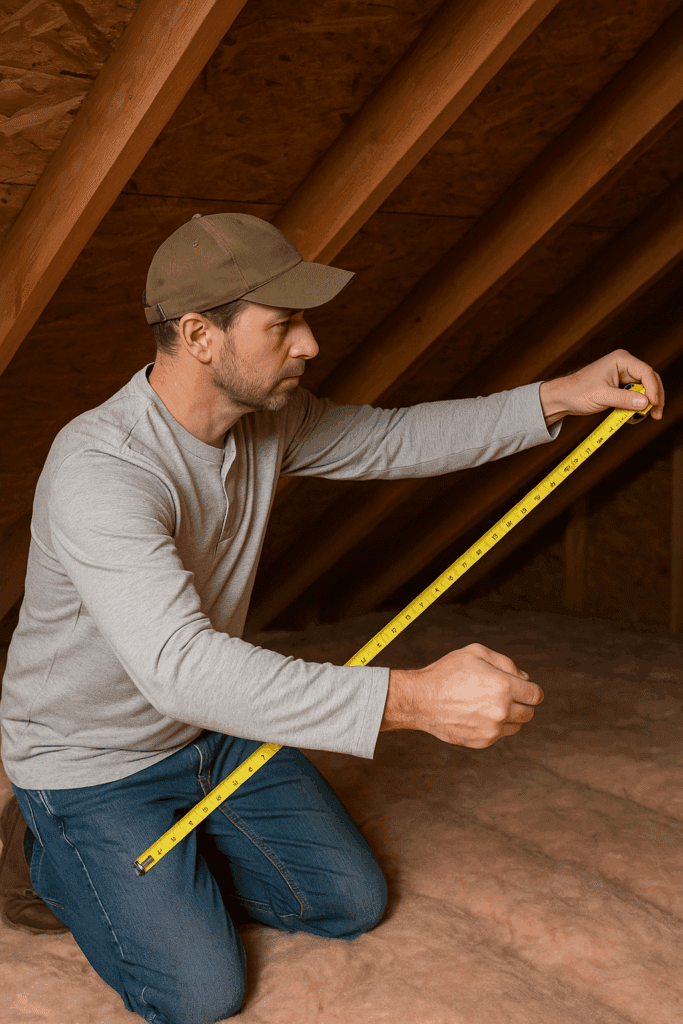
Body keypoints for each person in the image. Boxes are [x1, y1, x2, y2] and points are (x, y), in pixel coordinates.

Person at [0, 213, 665, 1024]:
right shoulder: (102, 469)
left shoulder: (267, 419)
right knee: (200, 993)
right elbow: (179, 665)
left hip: (207, 733)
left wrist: (560, 395)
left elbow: (392, 439)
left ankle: (167, 859)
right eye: (283, 325)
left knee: (348, 901)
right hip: (91, 761)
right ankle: (45, 850)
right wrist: (413, 698)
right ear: (201, 335)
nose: (309, 344)